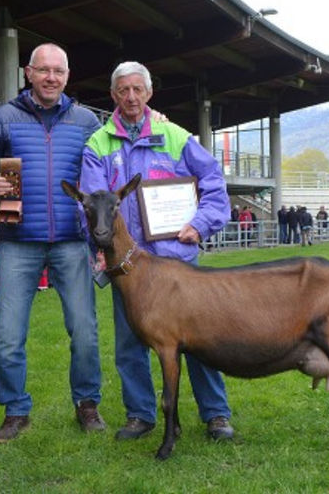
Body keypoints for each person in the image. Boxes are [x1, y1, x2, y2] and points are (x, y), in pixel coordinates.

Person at [80, 60, 235, 442]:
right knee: (130, 342)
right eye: (123, 90)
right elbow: (92, 201)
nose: (131, 97)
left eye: (137, 89)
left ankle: (215, 414)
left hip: (176, 260)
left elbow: (214, 182)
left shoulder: (176, 135)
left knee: (199, 340)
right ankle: (140, 414)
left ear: (149, 93)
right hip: (127, 267)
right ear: (113, 95)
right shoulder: (98, 144)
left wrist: (200, 224)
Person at [0, 43, 106, 443]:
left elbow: (111, 158)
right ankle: (15, 410)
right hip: (17, 240)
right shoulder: (3, 117)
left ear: (68, 75)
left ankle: (87, 404)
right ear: (28, 72)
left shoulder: (86, 121)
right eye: (43, 70)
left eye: (59, 71)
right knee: (9, 335)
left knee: (84, 330)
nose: (51, 77)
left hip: (71, 241)